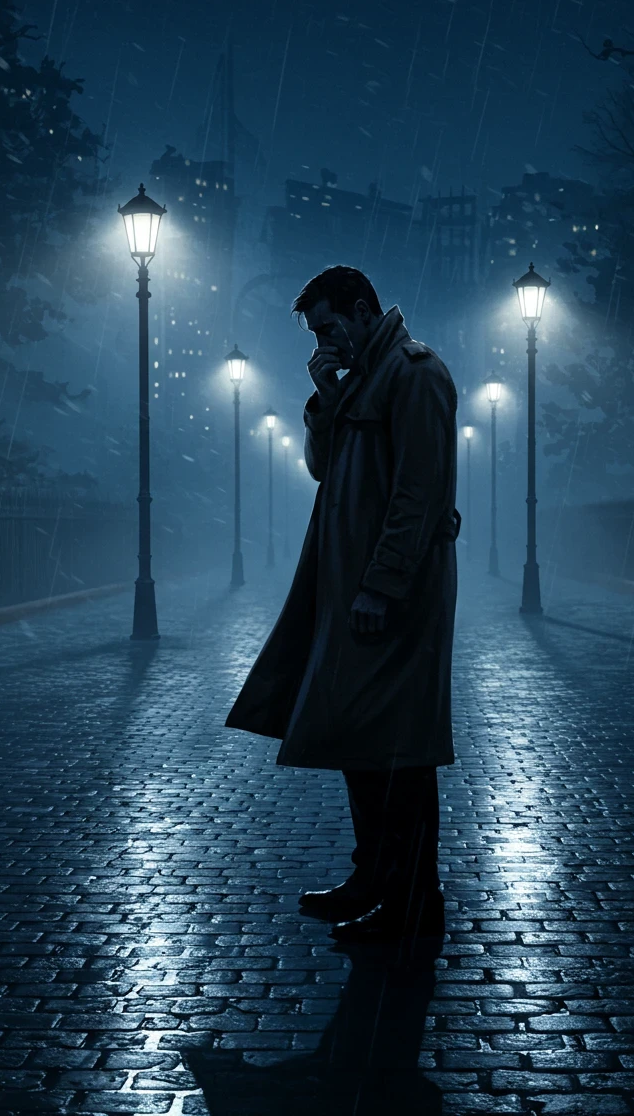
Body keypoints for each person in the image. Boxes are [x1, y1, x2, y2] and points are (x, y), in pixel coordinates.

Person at [225, 265, 460, 943]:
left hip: (393, 597)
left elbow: (419, 492)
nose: (325, 342)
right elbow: (323, 467)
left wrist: (382, 585)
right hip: (357, 593)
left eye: (330, 327)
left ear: (361, 311)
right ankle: (381, 884)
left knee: (399, 750)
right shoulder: (365, 376)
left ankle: (410, 901)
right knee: (367, 742)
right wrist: (324, 393)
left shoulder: (415, 374)